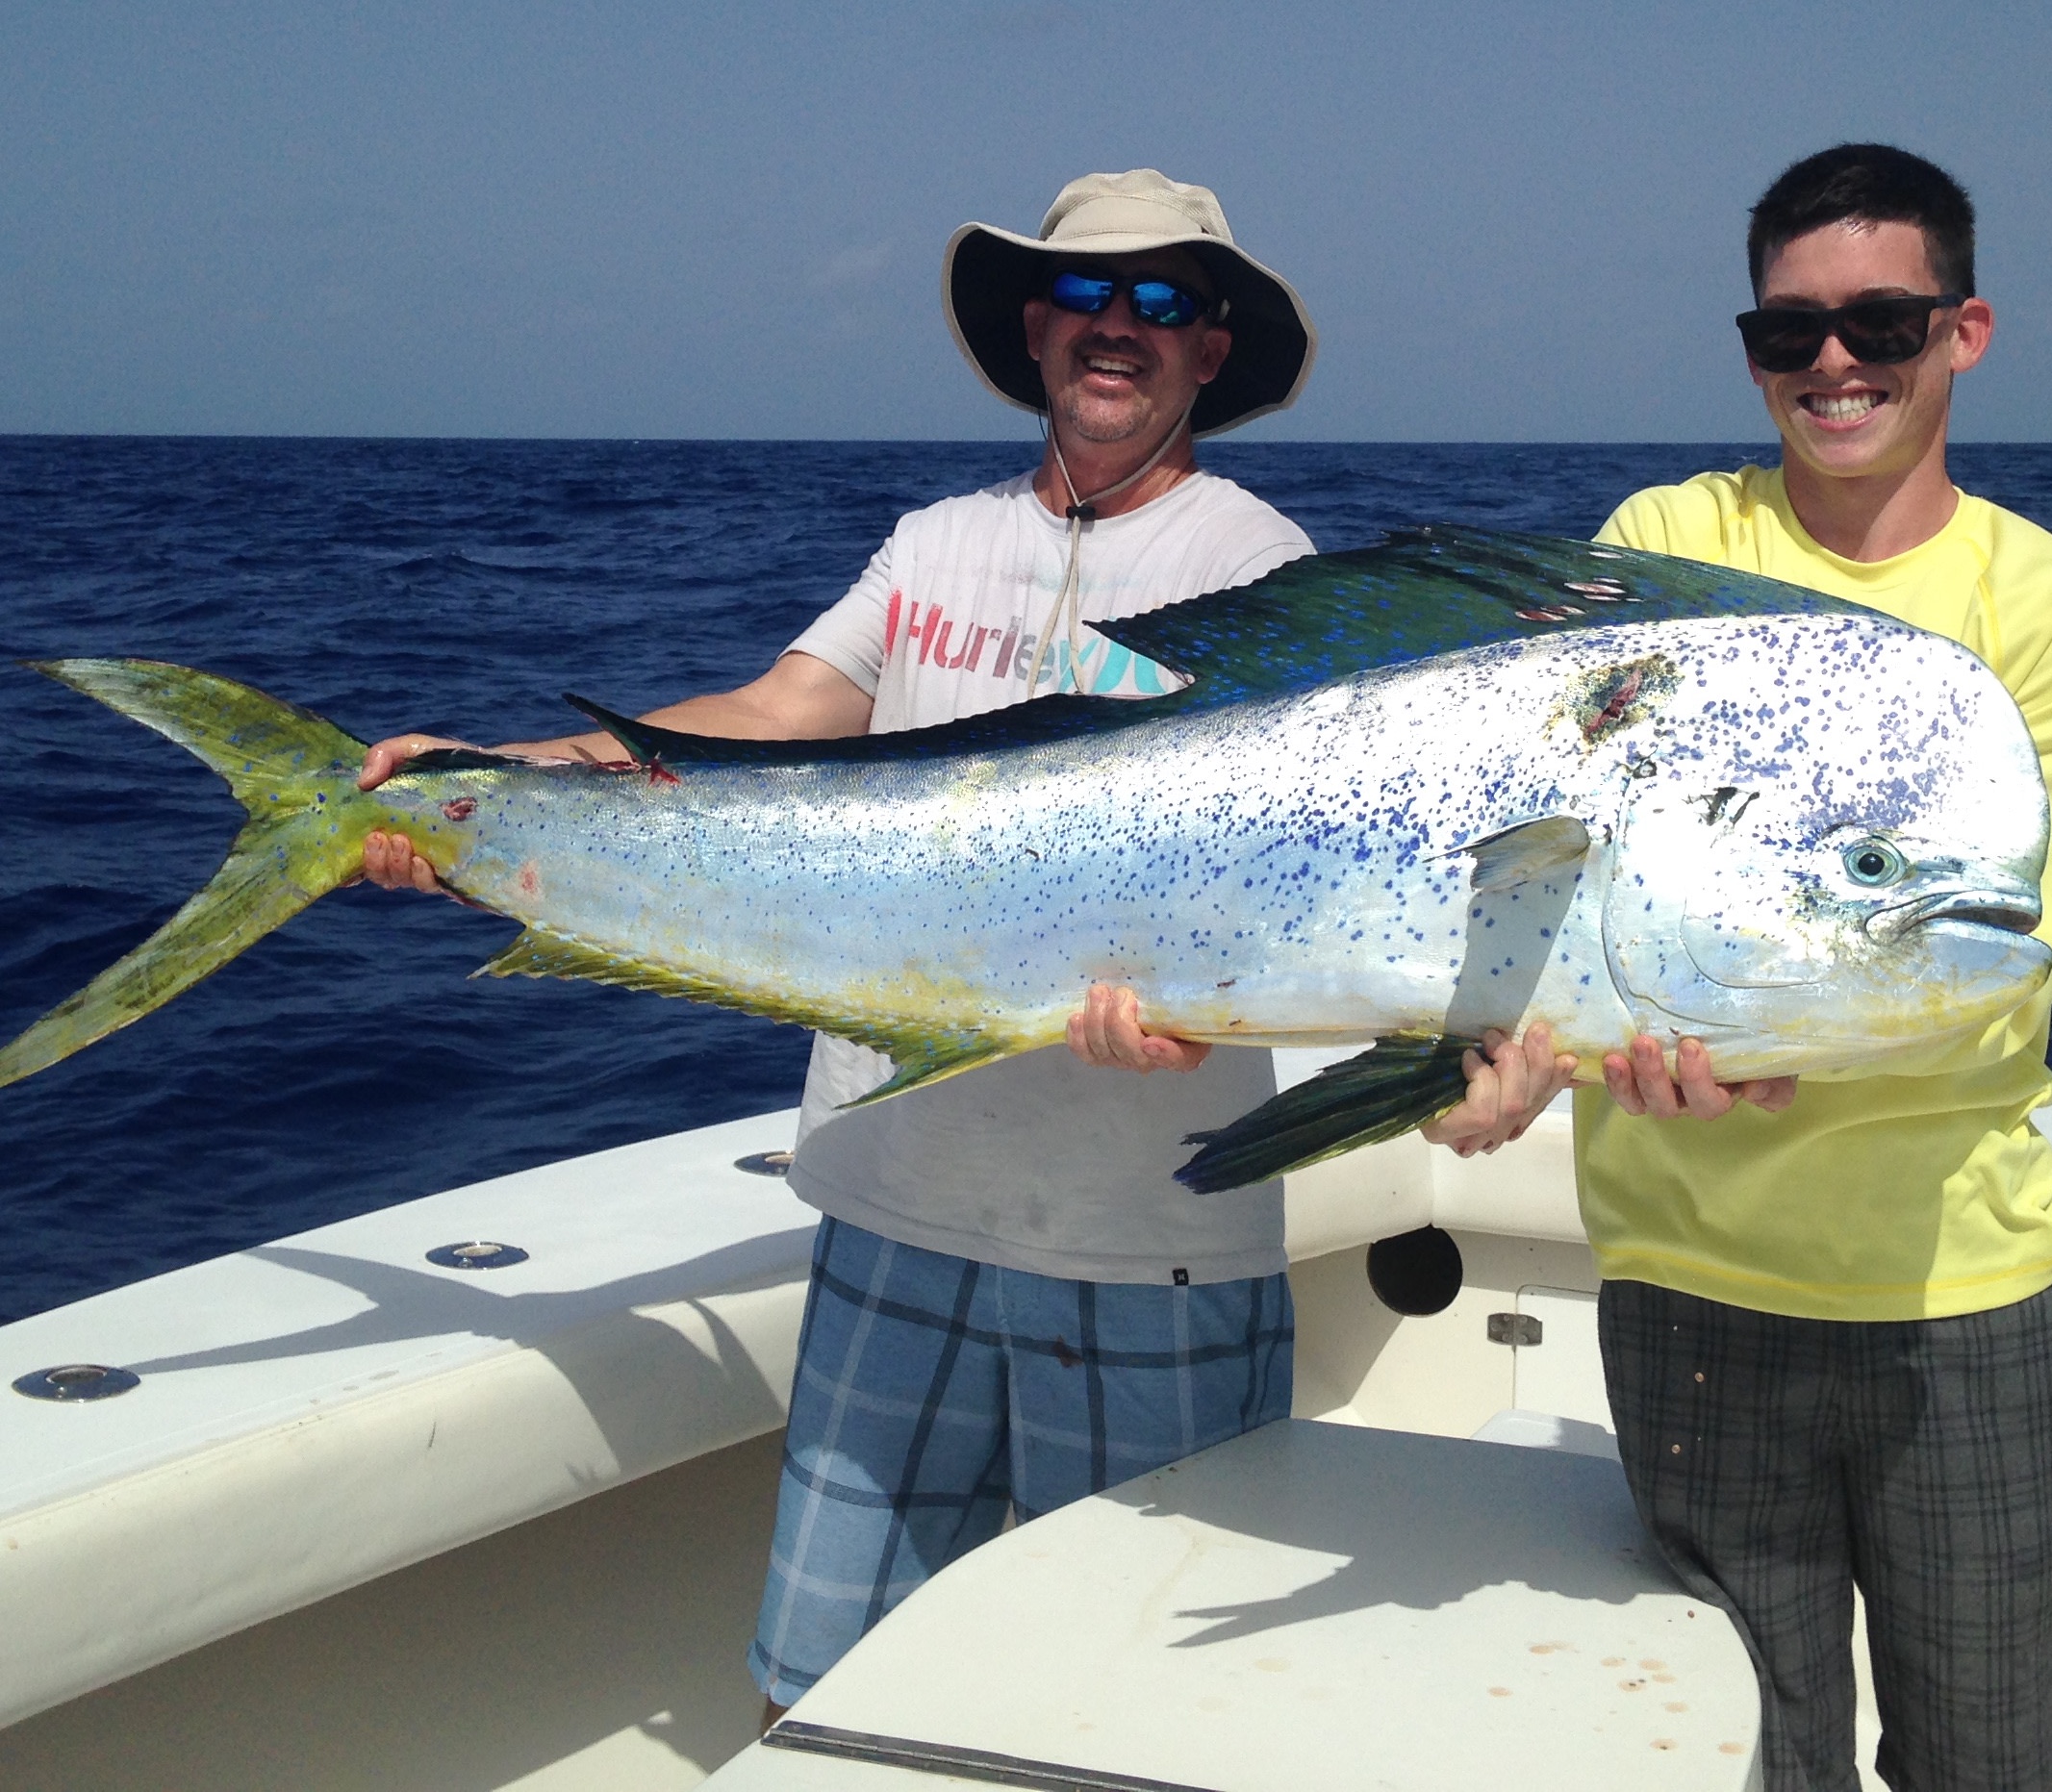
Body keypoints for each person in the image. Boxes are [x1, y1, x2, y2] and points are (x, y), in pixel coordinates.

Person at [352, 167, 1572, 1725]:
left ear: (1211, 351)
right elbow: (776, 722)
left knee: (1139, 1704)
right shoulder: (933, 542)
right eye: (1087, 296)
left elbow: (1332, 885)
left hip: (1154, 1250)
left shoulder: (1281, 578)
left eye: (1163, 303)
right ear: (1033, 328)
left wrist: (1236, 1010)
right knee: (824, 1687)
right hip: (893, 1211)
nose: (1117, 329)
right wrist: (489, 783)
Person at [1576, 144, 2052, 1791]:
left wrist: (1769, 1050)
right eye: (1789, 333)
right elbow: (1569, 884)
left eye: (1881, 322)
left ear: (1962, 330)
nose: (1835, 363)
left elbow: (2008, 964)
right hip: (1687, 1290)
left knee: (1997, 1767)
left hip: (1950, 1301)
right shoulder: (1661, 542)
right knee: (1747, 1766)